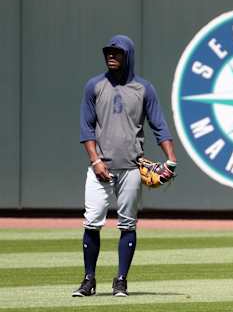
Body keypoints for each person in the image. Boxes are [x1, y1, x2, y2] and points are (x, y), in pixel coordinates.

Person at [73, 35, 176, 297]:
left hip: (131, 167)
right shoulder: (94, 86)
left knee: (127, 225)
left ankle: (121, 280)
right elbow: (86, 128)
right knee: (92, 223)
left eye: (117, 53)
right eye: (108, 52)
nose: (111, 56)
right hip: (100, 169)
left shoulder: (144, 89)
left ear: (128, 55)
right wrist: (95, 160)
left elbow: (159, 126)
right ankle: (88, 279)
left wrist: (171, 160)